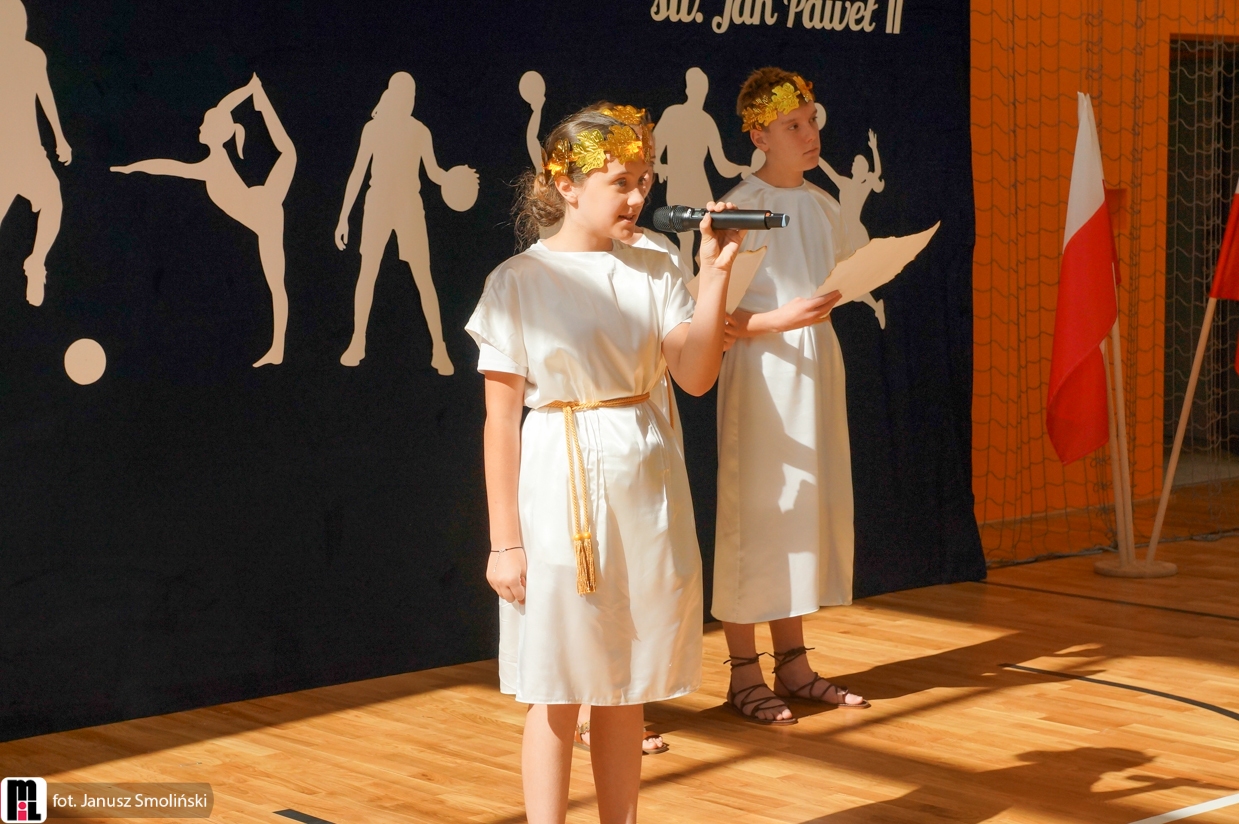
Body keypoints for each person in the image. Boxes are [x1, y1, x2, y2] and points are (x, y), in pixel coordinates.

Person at [467, 103, 742, 823]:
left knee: (627, 681)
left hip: (644, 478)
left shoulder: (654, 263)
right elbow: (500, 422)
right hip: (560, 480)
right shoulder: (517, 282)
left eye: (644, 180)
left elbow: (695, 376)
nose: (637, 196)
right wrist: (504, 541)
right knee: (557, 684)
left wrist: (712, 275)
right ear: (566, 185)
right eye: (620, 182)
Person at [713, 68, 868, 725]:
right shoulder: (741, 208)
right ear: (758, 136)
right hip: (763, 379)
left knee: (800, 513)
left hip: (814, 371)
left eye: (811, 122)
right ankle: (743, 673)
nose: (809, 135)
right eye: (792, 126)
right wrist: (779, 319)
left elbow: (842, 275)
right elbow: (712, 317)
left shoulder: (822, 205)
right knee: (756, 515)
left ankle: (794, 664)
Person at [112, 74, 295, 367]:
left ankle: (278, 350)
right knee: (288, 153)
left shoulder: (213, 166)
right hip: (261, 201)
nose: (198, 127)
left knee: (276, 285)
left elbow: (170, 167)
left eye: (204, 125)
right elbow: (223, 108)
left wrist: (133, 168)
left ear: (215, 133)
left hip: (266, 215)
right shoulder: (213, 162)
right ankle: (261, 99)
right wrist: (249, 89)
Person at [335, 72, 475, 374]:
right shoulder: (373, 128)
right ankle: (357, 341)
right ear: (395, 95)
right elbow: (358, 172)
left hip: (409, 206)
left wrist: (454, 178)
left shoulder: (420, 131)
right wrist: (343, 216)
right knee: (367, 272)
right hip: (377, 205)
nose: (410, 100)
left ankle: (439, 348)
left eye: (413, 96)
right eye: (406, 95)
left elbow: (433, 172)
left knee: (423, 276)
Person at [1, 0, 71, 307]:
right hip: (6, 156)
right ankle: (36, 261)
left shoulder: (31, 55)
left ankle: (36, 262)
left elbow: (45, 94)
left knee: (53, 199)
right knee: (52, 200)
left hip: (28, 152)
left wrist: (60, 138)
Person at [653, 67, 748, 270]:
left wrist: (741, 170)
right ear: (688, 90)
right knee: (686, 240)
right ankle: (686, 282)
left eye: (703, 89)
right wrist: (658, 165)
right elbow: (654, 148)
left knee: (706, 240)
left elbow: (721, 165)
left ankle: (702, 281)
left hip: (701, 188)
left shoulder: (707, 122)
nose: (700, 94)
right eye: (696, 88)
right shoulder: (673, 114)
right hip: (678, 186)